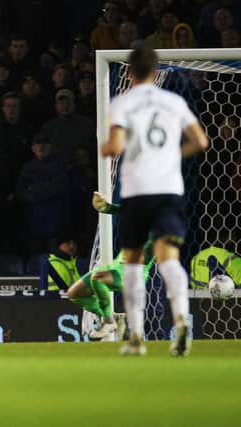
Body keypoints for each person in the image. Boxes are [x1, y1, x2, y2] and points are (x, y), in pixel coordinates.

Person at [101, 46, 209, 356]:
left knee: (133, 263)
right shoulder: (174, 101)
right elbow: (201, 141)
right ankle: (181, 322)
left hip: (137, 191)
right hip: (169, 189)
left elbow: (117, 145)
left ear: (129, 72)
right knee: (169, 259)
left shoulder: (122, 103)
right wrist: (174, 154)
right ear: (156, 70)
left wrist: (106, 147)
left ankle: (136, 335)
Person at [66, 192, 155, 341]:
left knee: (98, 279)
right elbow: (120, 210)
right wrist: (104, 207)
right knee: (74, 293)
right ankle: (110, 317)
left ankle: (108, 322)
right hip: (118, 267)